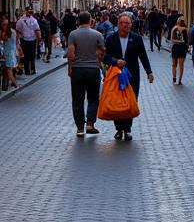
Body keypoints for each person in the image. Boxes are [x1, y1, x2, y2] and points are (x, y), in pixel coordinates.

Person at [103, 13, 154, 141]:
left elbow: (143, 56)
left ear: (131, 24)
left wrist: (149, 72)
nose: (126, 25)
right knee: (117, 102)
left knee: (131, 101)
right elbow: (104, 56)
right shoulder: (111, 39)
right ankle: (119, 129)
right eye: (123, 23)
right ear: (118, 24)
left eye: (128, 23)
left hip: (132, 76)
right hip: (116, 75)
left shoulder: (136, 38)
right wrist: (115, 61)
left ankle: (128, 129)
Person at [66, 10, 105, 136]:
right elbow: (101, 53)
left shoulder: (73, 34)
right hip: (93, 69)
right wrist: (101, 66)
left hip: (78, 69)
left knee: (77, 99)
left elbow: (71, 53)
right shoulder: (98, 35)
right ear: (90, 21)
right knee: (93, 98)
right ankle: (90, 123)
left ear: (78, 21)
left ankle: (79, 128)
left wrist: (70, 67)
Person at [0, 18, 20, 91]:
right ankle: (6, 86)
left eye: (4, 25)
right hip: (12, 52)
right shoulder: (13, 31)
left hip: (9, 54)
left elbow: (3, 40)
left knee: (9, 71)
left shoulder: (7, 33)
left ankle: (16, 85)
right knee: (9, 70)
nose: (3, 26)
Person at [169, 15, 189, 84]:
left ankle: (174, 77)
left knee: (174, 64)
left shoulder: (174, 28)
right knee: (181, 65)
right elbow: (187, 40)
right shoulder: (185, 29)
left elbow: (171, 39)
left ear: (177, 22)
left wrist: (177, 41)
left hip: (175, 47)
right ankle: (180, 80)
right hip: (182, 48)